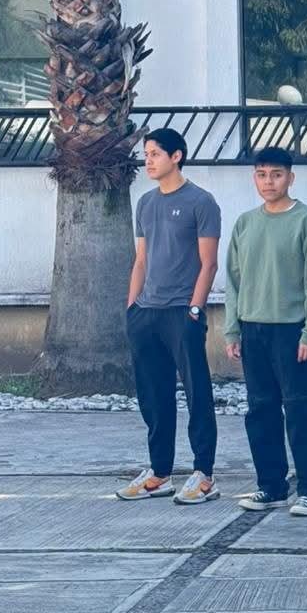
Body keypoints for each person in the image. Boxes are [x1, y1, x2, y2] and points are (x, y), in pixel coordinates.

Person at [224, 147, 307, 516]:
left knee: (298, 408)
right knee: (260, 409)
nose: (268, 182)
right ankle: (270, 486)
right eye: (261, 174)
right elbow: (233, 281)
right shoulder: (245, 223)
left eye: (276, 174)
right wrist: (232, 330)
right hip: (252, 329)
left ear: (290, 177)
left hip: (292, 331)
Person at [117, 128, 221, 505]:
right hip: (146, 313)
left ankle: (204, 474)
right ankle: (159, 473)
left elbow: (209, 263)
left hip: (182, 313)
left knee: (197, 393)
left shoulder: (201, 202)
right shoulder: (145, 203)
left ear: (176, 156)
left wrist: (195, 309)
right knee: (153, 395)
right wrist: (132, 308)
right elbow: (141, 260)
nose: (148, 161)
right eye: (146, 154)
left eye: (155, 154)